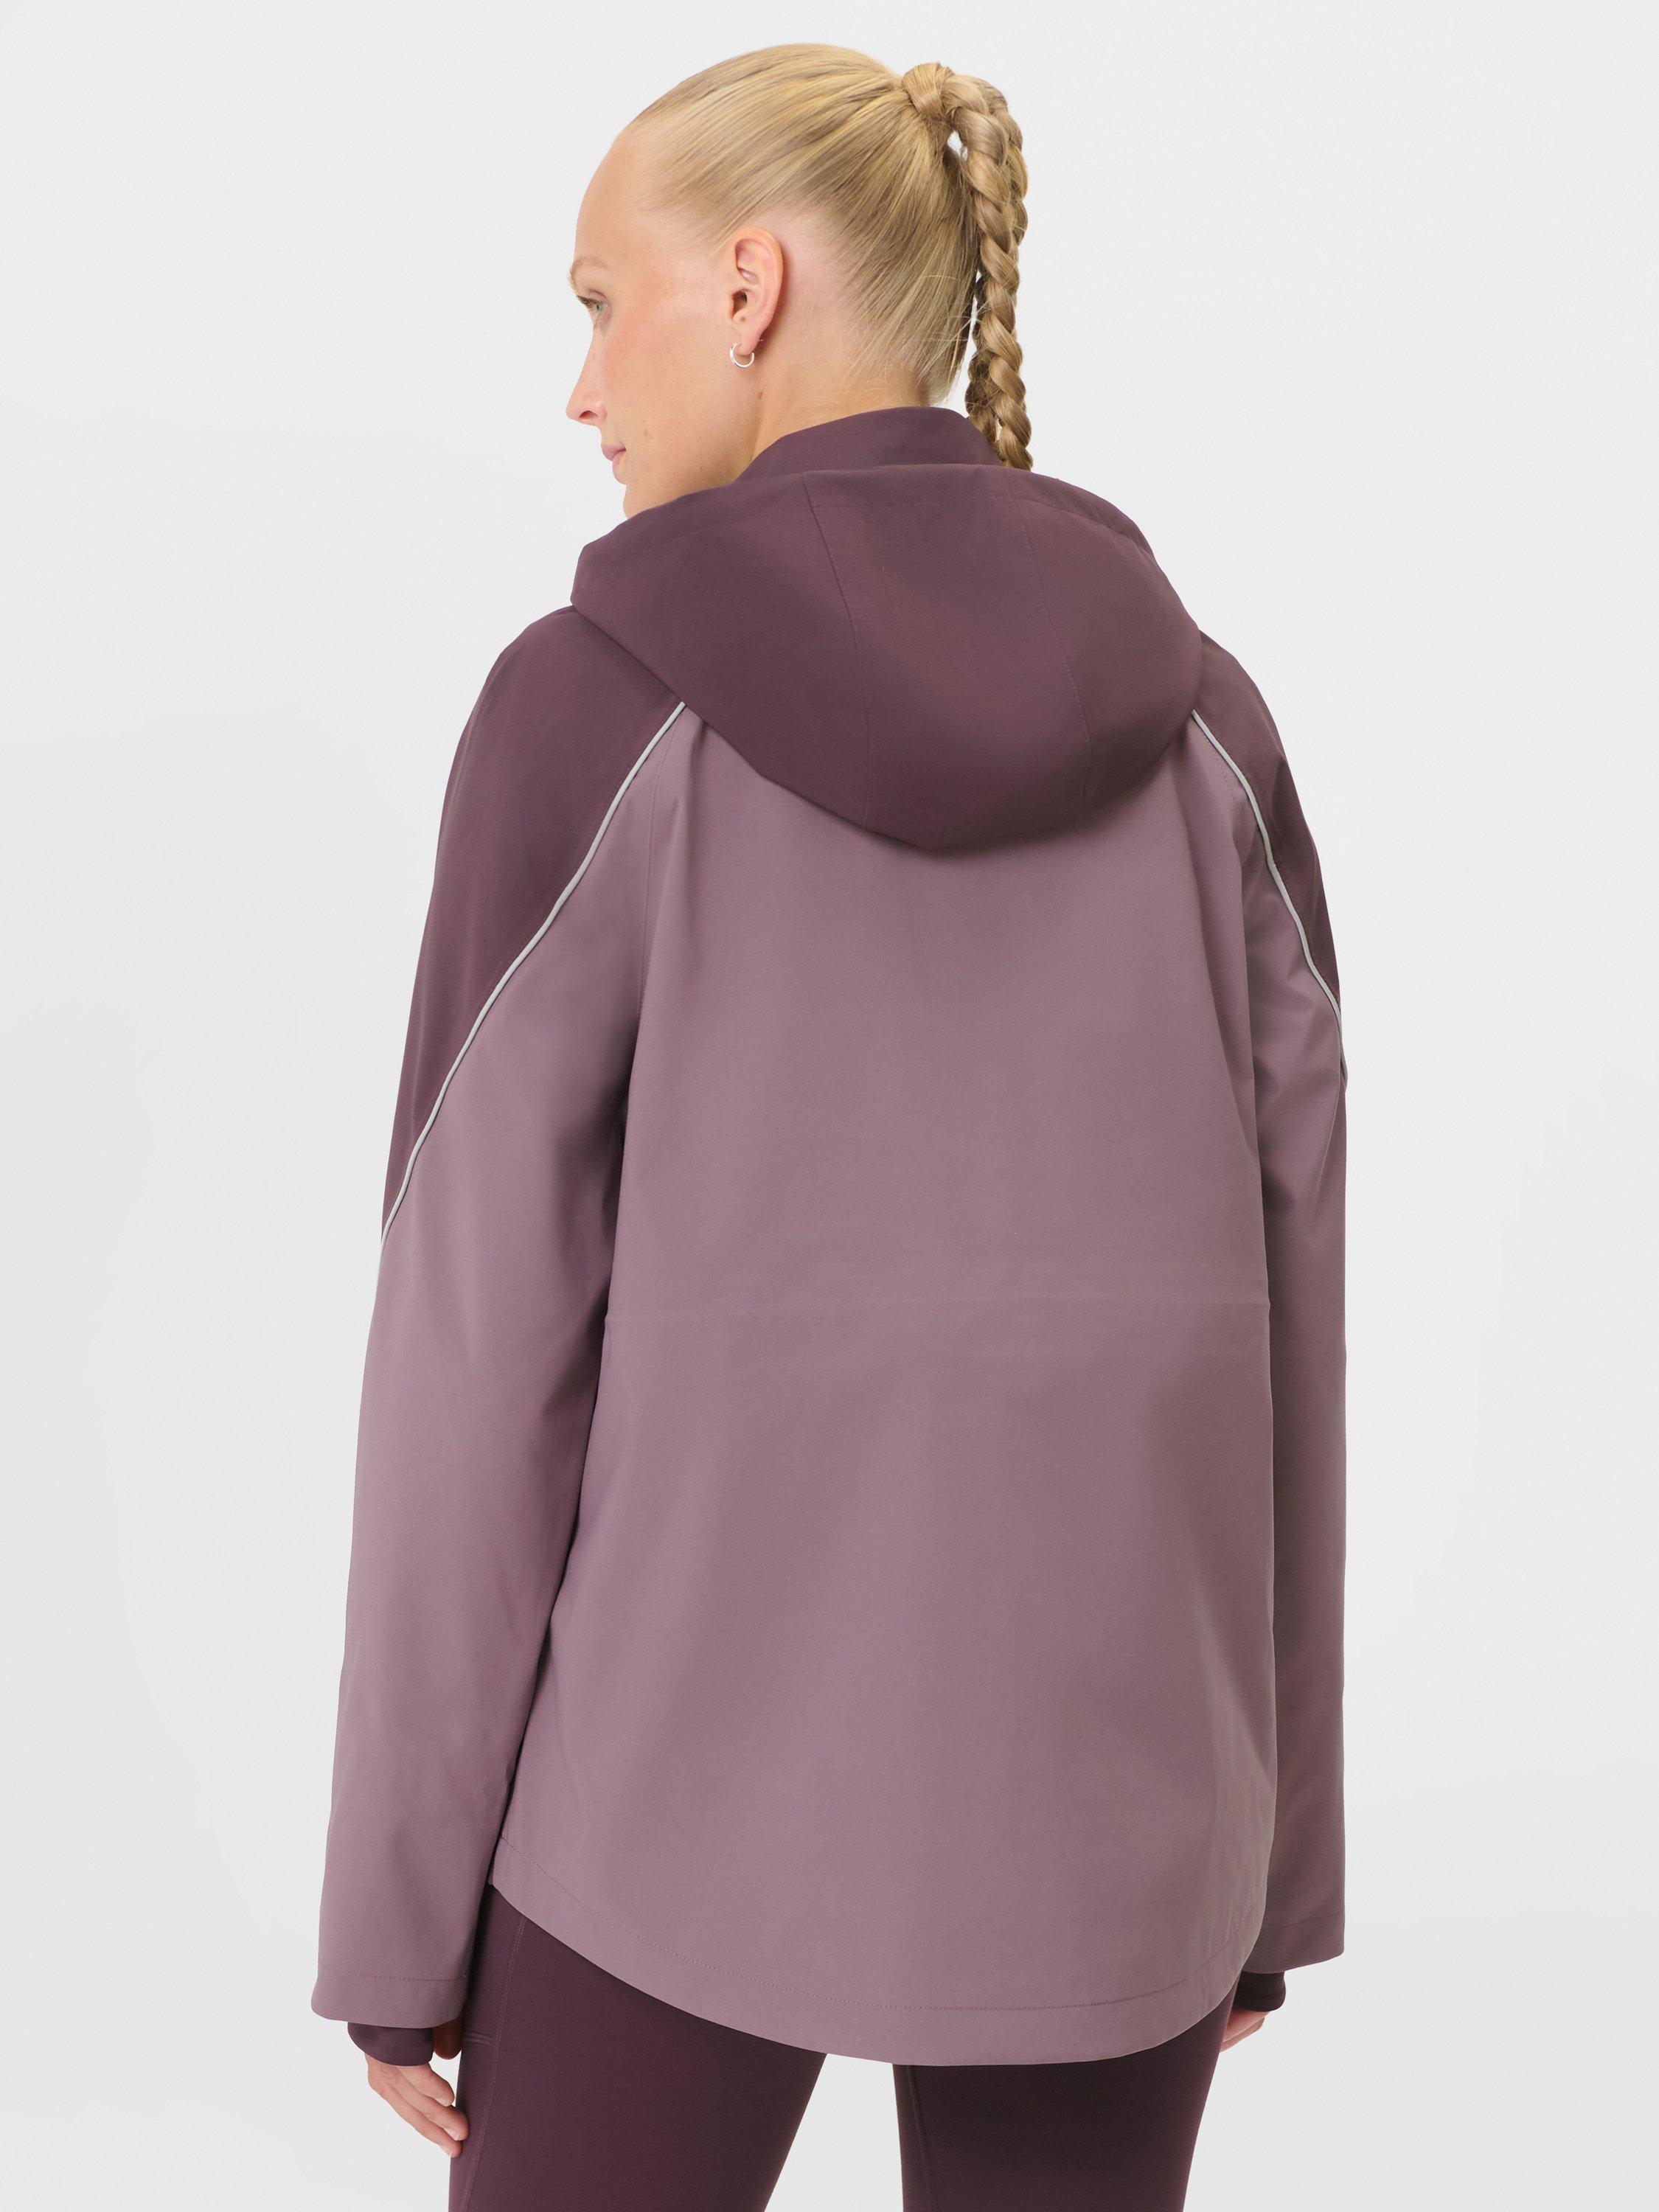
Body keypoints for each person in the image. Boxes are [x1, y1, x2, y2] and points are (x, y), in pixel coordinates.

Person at [310, 42, 1346, 2211]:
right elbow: (1290, 1320)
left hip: (661, 1824)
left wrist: (400, 1911)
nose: (580, 389)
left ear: (748, 284)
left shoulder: (590, 706)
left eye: (600, 302)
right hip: (1129, 1817)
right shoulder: (1206, 722)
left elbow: (475, 1354)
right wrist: (1271, 1857)